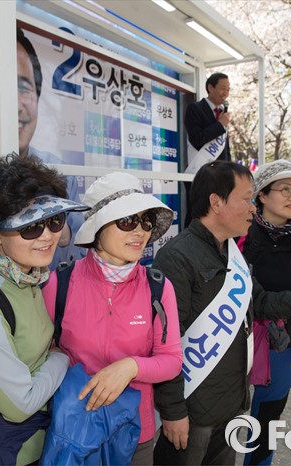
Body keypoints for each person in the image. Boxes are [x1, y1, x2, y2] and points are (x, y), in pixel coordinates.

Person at [151, 161, 291, 466]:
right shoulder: (177, 257)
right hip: (193, 410)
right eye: (247, 199)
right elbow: (164, 342)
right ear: (216, 202)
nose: (252, 208)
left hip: (228, 405)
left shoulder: (230, 251)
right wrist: (173, 412)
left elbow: (260, 302)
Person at [0, 154, 89, 465]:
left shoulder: (27, 277)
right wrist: (61, 358)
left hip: (34, 445)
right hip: (0, 453)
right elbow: (20, 404)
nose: (48, 235)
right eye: (31, 226)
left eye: (54, 220)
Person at [41, 172, 183, 465]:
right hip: (74, 431)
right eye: (127, 221)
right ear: (97, 227)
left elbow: (171, 360)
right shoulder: (60, 282)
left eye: (145, 221)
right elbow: (41, 353)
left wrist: (130, 367)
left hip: (134, 434)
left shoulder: (158, 287)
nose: (140, 232)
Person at [238, 160, 291, 466]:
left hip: (282, 342)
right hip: (233, 339)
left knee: (267, 421)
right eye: (285, 189)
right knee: (220, 414)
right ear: (261, 195)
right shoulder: (239, 236)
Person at [17, 27, 84, 268]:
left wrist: (63, 233)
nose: (17, 106)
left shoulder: (61, 174)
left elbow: (78, 241)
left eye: (23, 88)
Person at [183, 72, 232, 226]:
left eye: (228, 89)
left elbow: (225, 148)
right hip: (200, 171)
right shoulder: (195, 109)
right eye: (222, 88)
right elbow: (197, 139)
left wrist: (229, 169)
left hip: (220, 175)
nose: (225, 93)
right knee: (197, 213)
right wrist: (220, 125)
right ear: (210, 87)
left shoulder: (222, 113)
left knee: (217, 215)